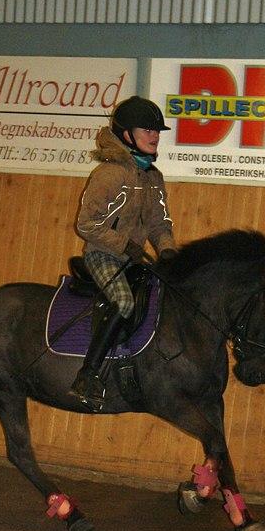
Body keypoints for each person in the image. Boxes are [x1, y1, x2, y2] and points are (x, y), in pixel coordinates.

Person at [69, 96, 177, 409]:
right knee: (124, 301)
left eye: (158, 130)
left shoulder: (153, 178)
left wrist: (168, 251)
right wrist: (124, 245)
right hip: (103, 256)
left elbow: (160, 224)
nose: (155, 135)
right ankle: (87, 374)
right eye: (148, 129)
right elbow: (86, 225)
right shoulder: (109, 174)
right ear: (127, 135)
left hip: (133, 259)